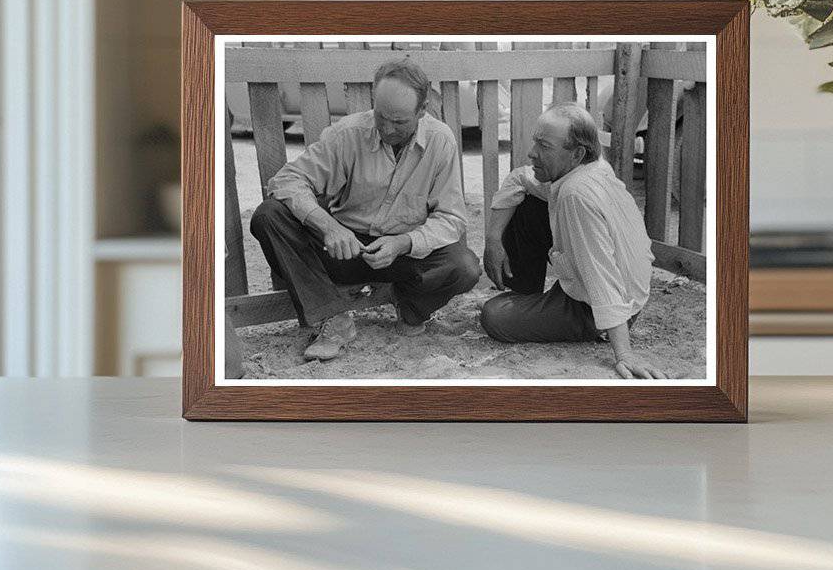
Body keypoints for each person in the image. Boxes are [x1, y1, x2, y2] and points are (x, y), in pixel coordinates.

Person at [249, 58, 481, 361]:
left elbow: (451, 219)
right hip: (342, 249)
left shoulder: (441, 140)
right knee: (268, 216)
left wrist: (403, 243)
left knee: (465, 267)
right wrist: (329, 226)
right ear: (374, 100)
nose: (387, 129)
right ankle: (334, 319)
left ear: (422, 110)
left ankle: (410, 307)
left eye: (399, 122)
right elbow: (286, 181)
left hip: (402, 253)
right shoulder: (348, 132)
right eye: (381, 116)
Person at [480, 103, 667, 380]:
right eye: (535, 142)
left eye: (544, 146)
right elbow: (520, 177)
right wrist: (493, 239)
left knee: (493, 315)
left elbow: (600, 274)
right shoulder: (589, 166)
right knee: (527, 204)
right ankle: (527, 300)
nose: (532, 153)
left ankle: (562, 320)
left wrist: (624, 354)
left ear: (577, 153)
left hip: (603, 309)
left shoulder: (575, 195)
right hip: (591, 290)